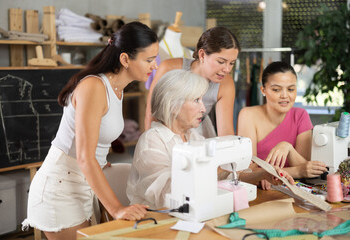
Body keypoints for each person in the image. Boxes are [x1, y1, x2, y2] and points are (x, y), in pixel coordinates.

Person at [22, 22, 159, 240]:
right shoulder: (94, 87)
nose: (155, 66)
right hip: (61, 186)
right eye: (149, 60)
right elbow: (84, 157)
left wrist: (100, 159)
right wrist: (117, 210)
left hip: (83, 184)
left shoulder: (117, 88)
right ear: (125, 59)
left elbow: (93, 143)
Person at [127, 69, 295, 209]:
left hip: (190, 214)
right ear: (173, 105)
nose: (203, 108)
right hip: (157, 220)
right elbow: (165, 196)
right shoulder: (152, 141)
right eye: (196, 100)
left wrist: (264, 174)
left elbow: (225, 178)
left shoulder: (194, 137)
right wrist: (216, 171)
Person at [237, 61, 328, 190]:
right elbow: (245, 172)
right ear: (263, 90)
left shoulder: (300, 116)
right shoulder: (248, 115)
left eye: (291, 89)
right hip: (259, 193)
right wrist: (296, 171)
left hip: (292, 192)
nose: (285, 96)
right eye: (276, 89)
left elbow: (307, 169)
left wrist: (288, 148)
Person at [145, 26, 240, 138]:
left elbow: (226, 134)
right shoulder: (169, 68)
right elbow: (151, 115)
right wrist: (152, 146)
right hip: (164, 134)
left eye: (232, 63)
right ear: (202, 55)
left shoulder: (226, 83)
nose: (227, 69)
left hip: (198, 134)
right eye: (221, 62)